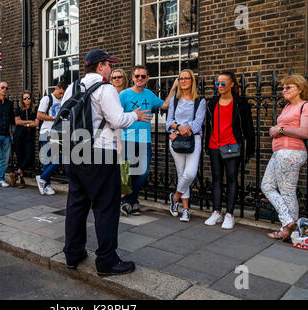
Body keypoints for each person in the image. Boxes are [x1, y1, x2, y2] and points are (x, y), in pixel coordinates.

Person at [62, 49, 152, 276]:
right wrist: (136, 116)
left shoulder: (73, 88)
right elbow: (118, 120)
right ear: (100, 66)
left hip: (74, 151)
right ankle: (106, 261)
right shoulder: (105, 89)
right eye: (109, 65)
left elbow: (62, 119)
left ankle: (73, 254)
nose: (111, 69)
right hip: (100, 153)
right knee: (106, 208)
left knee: (76, 206)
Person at [262, 75, 308, 241]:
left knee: (287, 192)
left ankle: (287, 227)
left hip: (291, 153)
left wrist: (279, 130)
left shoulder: (307, 106)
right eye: (283, 88)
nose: (284, 90)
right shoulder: (286, 107)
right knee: (267, 185)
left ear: (300, 89)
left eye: (288, 87)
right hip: (280, 153)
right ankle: (289, 226)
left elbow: (306, 132)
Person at [204, 71, 255, 230]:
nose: (219, 86)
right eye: (217, 83)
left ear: (232, 84)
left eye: (223, 83)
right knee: (217, 178)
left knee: (232, 177)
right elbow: (208, 124)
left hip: (232, 144)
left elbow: (248, 126)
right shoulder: (212, 102)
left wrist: (249, 147)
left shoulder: (240, 102)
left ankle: (230, 214)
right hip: (214, 145)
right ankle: (217, 211)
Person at [118, 65, 169, 217]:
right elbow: (117, 118)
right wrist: (118, 142)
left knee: (143, 172)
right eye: (137, 76)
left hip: (144, 140)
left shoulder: (149, 94)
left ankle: (129, 200)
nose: (140, 78)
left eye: (143, 76)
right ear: (132, 77)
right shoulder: (124, 95)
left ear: (147, 79)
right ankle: (131, 203)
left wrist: (173, 88)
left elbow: (165, 105)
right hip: (127, 139)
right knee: (126, 173)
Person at [166, 70, 206, 222]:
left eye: (186, 78)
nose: (183, 81)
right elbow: (169, 122)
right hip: (176, 142)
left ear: (192, 80)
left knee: (190, 174)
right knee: (181, 173)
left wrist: (181, 129)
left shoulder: (199, 101)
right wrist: (177, 129)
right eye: (181, 78)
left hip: (193, 140)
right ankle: (186, 209)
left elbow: (197, 124)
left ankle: (175, 197)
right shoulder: (175, 101)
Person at [35, 81, 67, 195]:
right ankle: (44, 180)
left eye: (63, 93)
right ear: (56, 88)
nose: (61, 95)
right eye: (60, 93)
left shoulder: (63, 101)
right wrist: (54, 118)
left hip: (57, 133)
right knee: (57, 158)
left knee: (49, 160)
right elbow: (39, 115)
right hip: (46, 132)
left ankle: (45, 183)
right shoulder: (47, 99)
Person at [10, 91, 38, 188]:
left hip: (29, 136)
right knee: (19, 157)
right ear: (22, 100)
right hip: (19, 135)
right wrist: (29, 122)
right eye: (25, 98)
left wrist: (24, 123)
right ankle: (21, 180)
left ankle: (16, 174)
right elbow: (17, 122)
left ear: (31, 99)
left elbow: (36, 123)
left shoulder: (35, 109)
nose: (27, 100)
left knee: (29, 156)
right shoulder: (18, 109)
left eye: (28, 98)